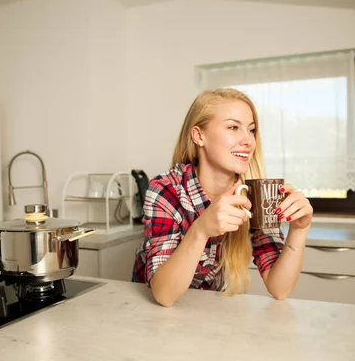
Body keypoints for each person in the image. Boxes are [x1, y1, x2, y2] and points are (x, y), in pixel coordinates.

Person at [132, 88, 313, 307]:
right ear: (199, 136)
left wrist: (299, 230)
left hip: (209, 314)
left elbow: (280, 288)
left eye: (251, 130)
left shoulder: (255, 193)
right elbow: (164, 295)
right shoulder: (166, 189)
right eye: (233, 127)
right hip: (150, 315)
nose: (249, 141)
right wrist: (201, 229)